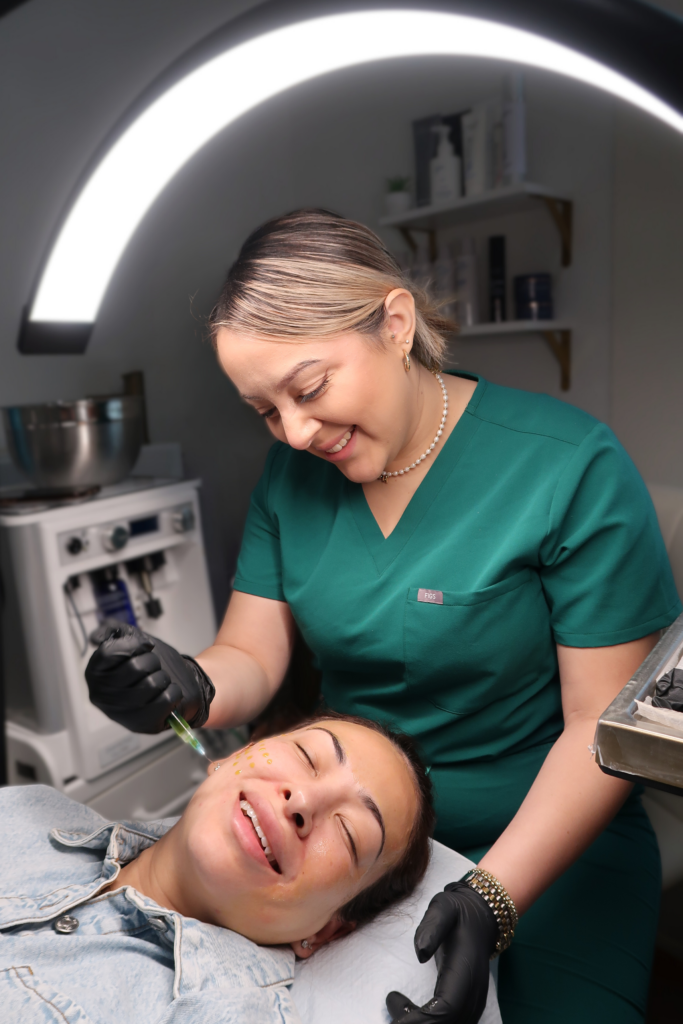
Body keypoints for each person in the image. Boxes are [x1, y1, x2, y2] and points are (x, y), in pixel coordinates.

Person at [86, 209, 681, 1024]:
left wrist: (491, 901)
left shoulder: (568, 467)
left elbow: (599, 728)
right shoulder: (289, 480)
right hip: (348, 851)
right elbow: (250, 661)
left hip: (547, 828)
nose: (294, 432)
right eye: (265, 409)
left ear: (395, 326)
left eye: (309, 388)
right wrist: (185, 684)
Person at [0, 709, 434, 1024]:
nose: (302, 801)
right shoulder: (27, 809)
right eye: (306, 756)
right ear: (233, 755)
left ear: (326, 931)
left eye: (348, 833)